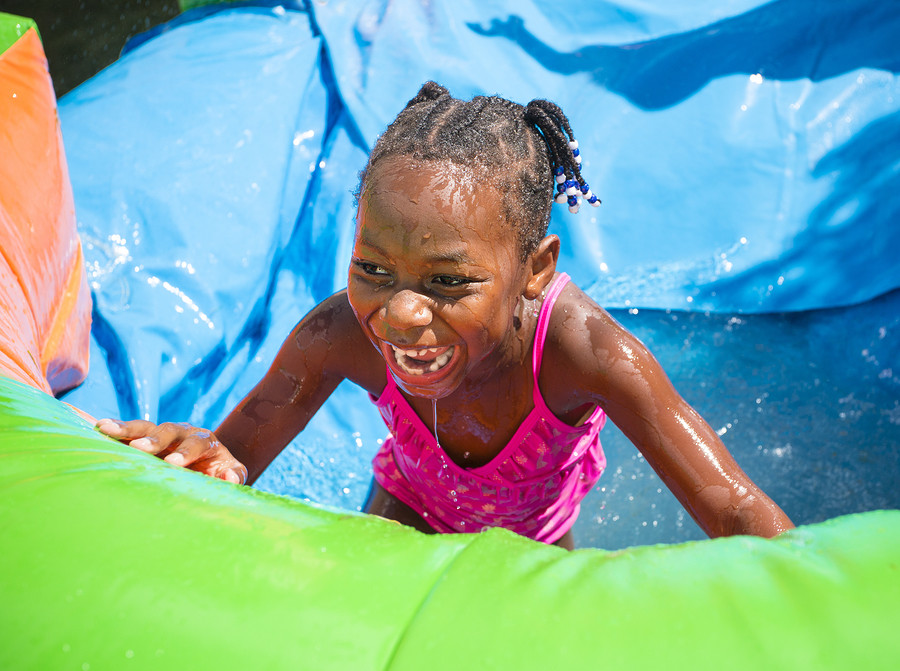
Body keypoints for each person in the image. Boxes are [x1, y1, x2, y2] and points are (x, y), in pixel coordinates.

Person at [96, 82, 794, 549]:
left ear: (536, 268)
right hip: (405, 507)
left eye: (448, 281)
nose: (399, 313)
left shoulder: (587, 356)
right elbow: (237, 453)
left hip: (536, 540)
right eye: (373, 268)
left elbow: (734, 510)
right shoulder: (338, 336)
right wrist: (203, 456)